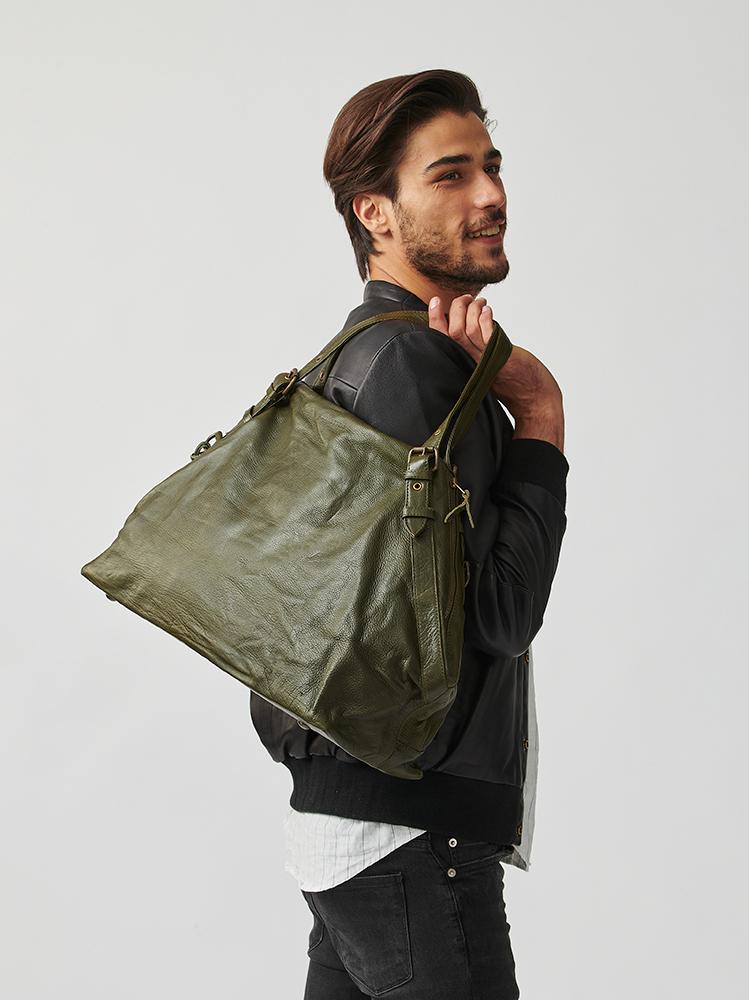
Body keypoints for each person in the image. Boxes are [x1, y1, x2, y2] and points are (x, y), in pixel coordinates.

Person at [249, 68, 569, 1000]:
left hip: (359, 830)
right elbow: (500, 613)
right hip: (414, 840)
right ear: (375, 213)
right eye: (450, 174)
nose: (490, 194)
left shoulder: (362, 356)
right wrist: (540, 416)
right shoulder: (411, 369)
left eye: (492, 166)